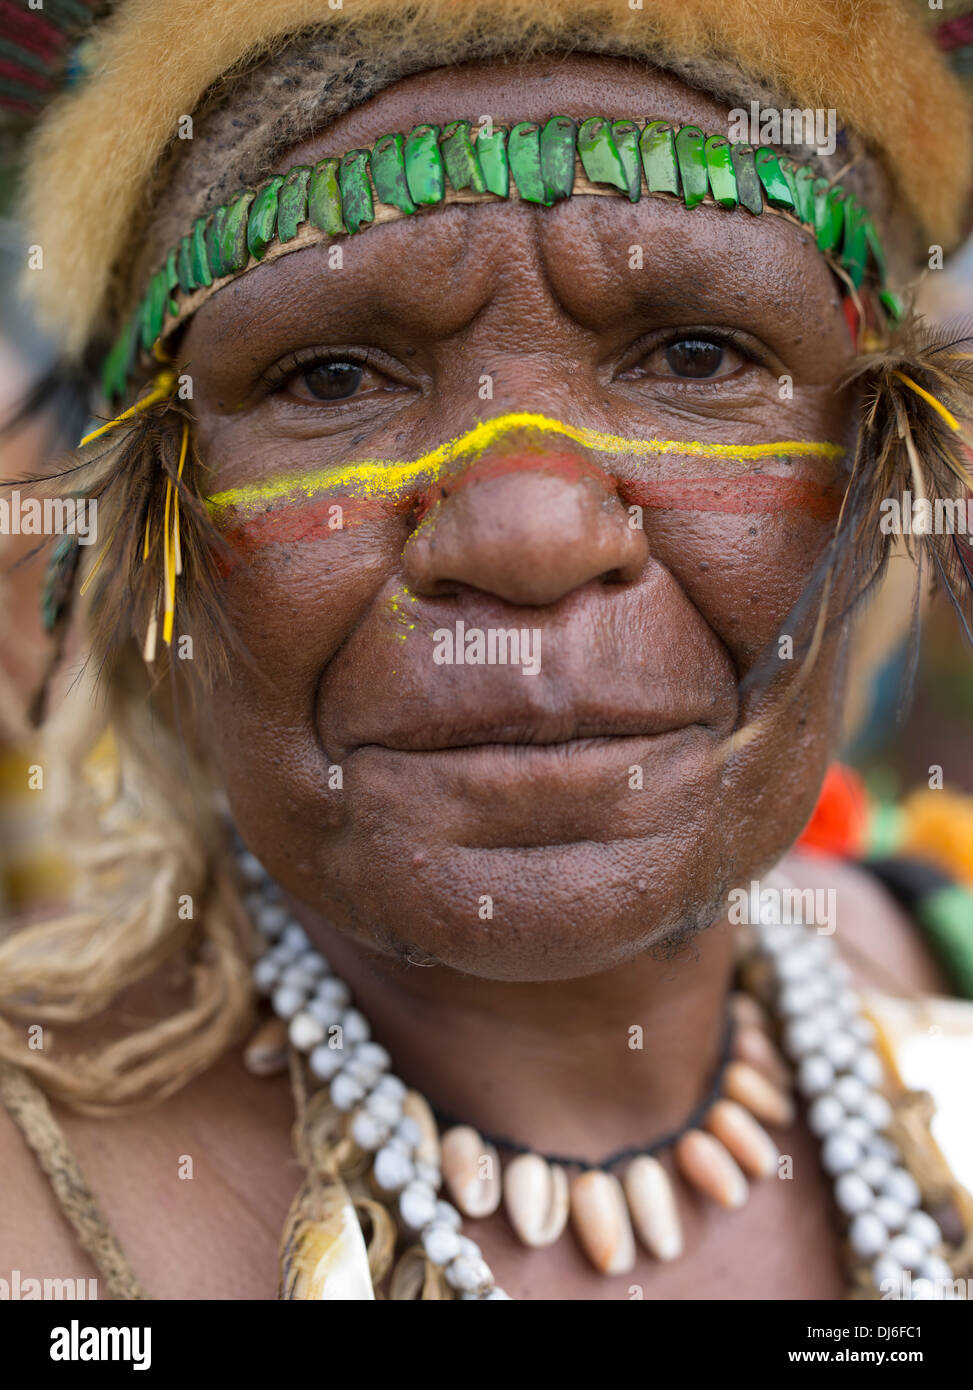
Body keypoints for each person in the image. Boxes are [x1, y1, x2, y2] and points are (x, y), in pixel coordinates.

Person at [0, 0, 971, 1302]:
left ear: (875, 489)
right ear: (144, 536)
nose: (528, 531)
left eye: (695, 352)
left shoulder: (941, 967)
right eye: (333, 377)